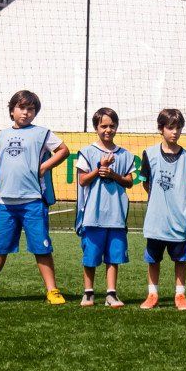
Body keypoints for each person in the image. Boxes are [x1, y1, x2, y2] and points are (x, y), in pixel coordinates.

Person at [0, 90, 69, 305]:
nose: (26, 113)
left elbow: (63, 150)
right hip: (5, 202)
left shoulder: (42, 133)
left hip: (33, 200)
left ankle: (52, 290)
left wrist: (43, 167)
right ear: (12, 110)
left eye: (31, 109)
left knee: (41, 248)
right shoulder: (2, 134)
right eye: (21, 108)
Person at [75, 107, 136, 307]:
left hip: (116, 215)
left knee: (114, 256)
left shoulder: (125, 155)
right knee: (90, 256)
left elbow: (129, 182)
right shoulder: (87, 152)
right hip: (93, 215)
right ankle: (88, 292)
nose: (108, 130)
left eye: (111, 126)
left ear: (117, 127)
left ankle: (111, 294)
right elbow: (83, 180)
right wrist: (99, 169)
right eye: (103, 126)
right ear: (96, 128)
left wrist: (113, 175)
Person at [136, 109, 186, 310]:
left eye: (178, 128)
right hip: (156, 219)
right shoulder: (149, 154)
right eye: (170, 127)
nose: (175, 132)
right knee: (153, 259)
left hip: (179, 219)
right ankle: (152, 294)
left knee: (180, 259)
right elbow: (146, 184)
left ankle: (180, 295)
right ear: (161, 129)